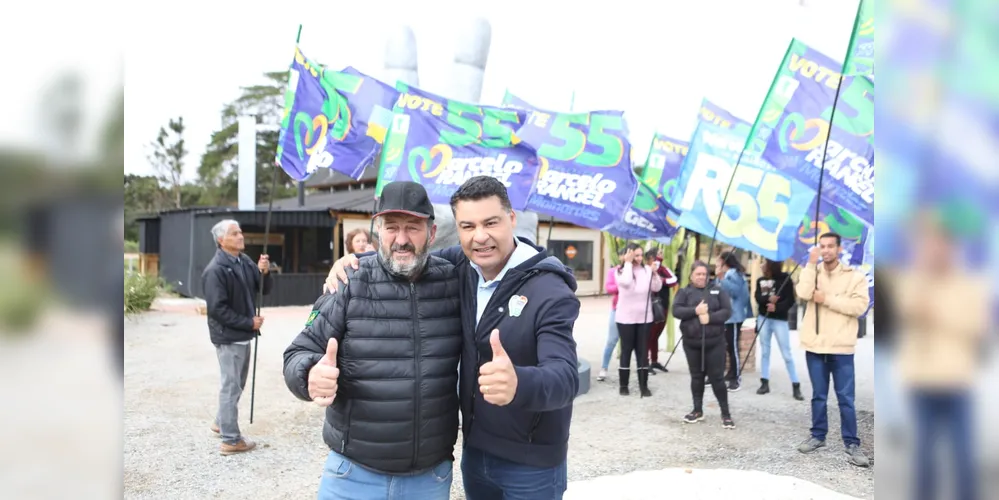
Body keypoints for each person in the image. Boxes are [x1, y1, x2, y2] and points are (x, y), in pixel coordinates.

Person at [328, 176, 580, 500]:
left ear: (512, 220)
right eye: (468, 226)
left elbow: (565, 376)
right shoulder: (462, 265)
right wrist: (351, 264)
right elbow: (406, 257)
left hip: (532, 465)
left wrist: (520, 383)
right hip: (475, 456)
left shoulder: (550, 289)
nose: (480, 236)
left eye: (491, 222)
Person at [283, 181, 463, 499]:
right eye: (391, 227)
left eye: (413, 228)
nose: (402, 239)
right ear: (377, 230)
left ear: (432, 234)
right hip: (353, 475)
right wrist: (309, 374)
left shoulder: (453, 281)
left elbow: (502, 254)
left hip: (429, 479)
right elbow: (299, 350)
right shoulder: (348, 281)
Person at [896, 212, 988, 500]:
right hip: (921, 382)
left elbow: (977, 327)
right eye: (930, 244)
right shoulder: (913, 281)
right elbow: (907, 311)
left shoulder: (970, 284)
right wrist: (924, 278)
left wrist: (940, 315)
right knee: (923, 459)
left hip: (957, 381)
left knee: (963, 457)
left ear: (953, 247)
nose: (936, 250)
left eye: (942, 244)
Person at [795, 232, 871, 467]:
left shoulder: (854, 277)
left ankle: (851, 442)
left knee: (846, 398)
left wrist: (826, 298)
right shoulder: (812, 272)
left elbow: (860, 306)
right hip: (815, 346)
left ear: (839, 249)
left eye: (830, 246)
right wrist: (810, 263)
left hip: (841, 348)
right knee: (818, 396)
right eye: (822, 246)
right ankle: (818, 435)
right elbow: (803, 293)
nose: (826, 250)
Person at [201, 219, 271, 455]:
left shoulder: (244, 261)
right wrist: (248, 322)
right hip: (229, 337)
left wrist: (264, 272)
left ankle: (221, 422)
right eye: (234, 233)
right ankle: (231, 440)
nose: (241, 236)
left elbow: (263, 288)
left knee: (236, 384)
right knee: (230, 387)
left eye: (241, 231)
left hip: (242, 335)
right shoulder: (215, 270)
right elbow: (218, 310)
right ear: (222, 241)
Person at [672, 261, 735, 429]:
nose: (701, 277)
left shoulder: (717, 290)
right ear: (691, 275)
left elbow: (727, 311)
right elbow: (676, 310)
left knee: (717, 378)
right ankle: (697, 410)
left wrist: (710, 318)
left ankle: (725, 413)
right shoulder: (684, 292)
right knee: (696, 377)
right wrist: (695, 311)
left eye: (704, 274)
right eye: (698, 274)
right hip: (692, 343)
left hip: (715, 342)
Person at [614, 246, 663, 396]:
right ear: (627, 256)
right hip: (625, 318)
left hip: (645, 317)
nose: (639, 259)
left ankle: (644, 385)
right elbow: (627, 282)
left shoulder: (647, 270)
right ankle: (624, 385)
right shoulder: (620, 271)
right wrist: (628, 263)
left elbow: (657, 287)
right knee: (626, 350)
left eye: (640, 255)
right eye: (635, 255)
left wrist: (654, 273)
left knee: (642, 351)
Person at [753, 259, 803, 400]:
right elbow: (757, 297)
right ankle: (764, 382)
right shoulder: (760, 280)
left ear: (771, 265)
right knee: (765, 351)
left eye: (764, 262)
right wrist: (769, 299)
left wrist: (778, 307)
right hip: (764, 318)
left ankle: (795, 384)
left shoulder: (785, 279)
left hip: (780, 320)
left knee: (786, 353)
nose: (762, 265)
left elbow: (790, 300)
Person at [715, 251, 750, 392]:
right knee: (728, 345)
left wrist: (722, 278)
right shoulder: (728, 275)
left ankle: (736, 377)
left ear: (725, 263)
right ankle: (730, 373)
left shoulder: (734, 274)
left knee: (733, 346)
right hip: (726, 315)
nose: (717, 265)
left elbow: (734, 292)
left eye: (719, 262)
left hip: (734, 316)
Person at [598, 246, 632, 381]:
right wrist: (622, 284)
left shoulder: (636, 272)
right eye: (625, 254)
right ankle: (604, 367)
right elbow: (609, 287)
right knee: (612, 340)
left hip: (633, 312)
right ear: (620, 257)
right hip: (617, 309)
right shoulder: (614, 271)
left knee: (630, 343)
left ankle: (626, 369)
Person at [647, 250, 678, 373]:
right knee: (649, 335)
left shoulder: (664, 269)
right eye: (659, 253)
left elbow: (674, 281)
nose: (662, 255)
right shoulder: (646, 270)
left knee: (656, 335)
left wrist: (662, 279)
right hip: (650, 307)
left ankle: (654, 361)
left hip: (663, 306)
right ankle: (645, 362)